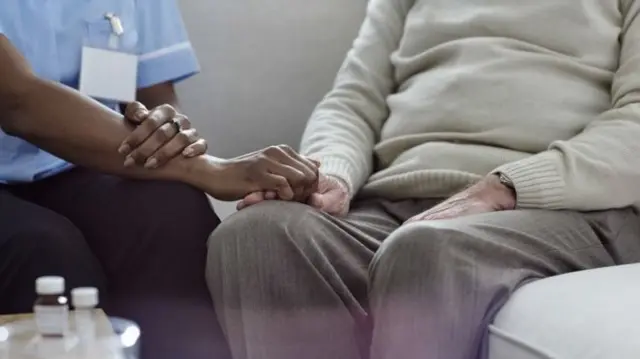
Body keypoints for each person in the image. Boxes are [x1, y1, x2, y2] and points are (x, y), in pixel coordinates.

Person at [206, 0, 640, 358]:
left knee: (425, 251)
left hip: (557, 208)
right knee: (255, 234)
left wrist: (507, 187)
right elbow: (353, 102)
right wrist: (332, 174)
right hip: (395, 200)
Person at [0, 2, 317, 359]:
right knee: (42, 250)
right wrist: (208, 169)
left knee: (172, 214)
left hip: (82, 162)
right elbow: (16, 101)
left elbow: (154, 97)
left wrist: (169, 133)